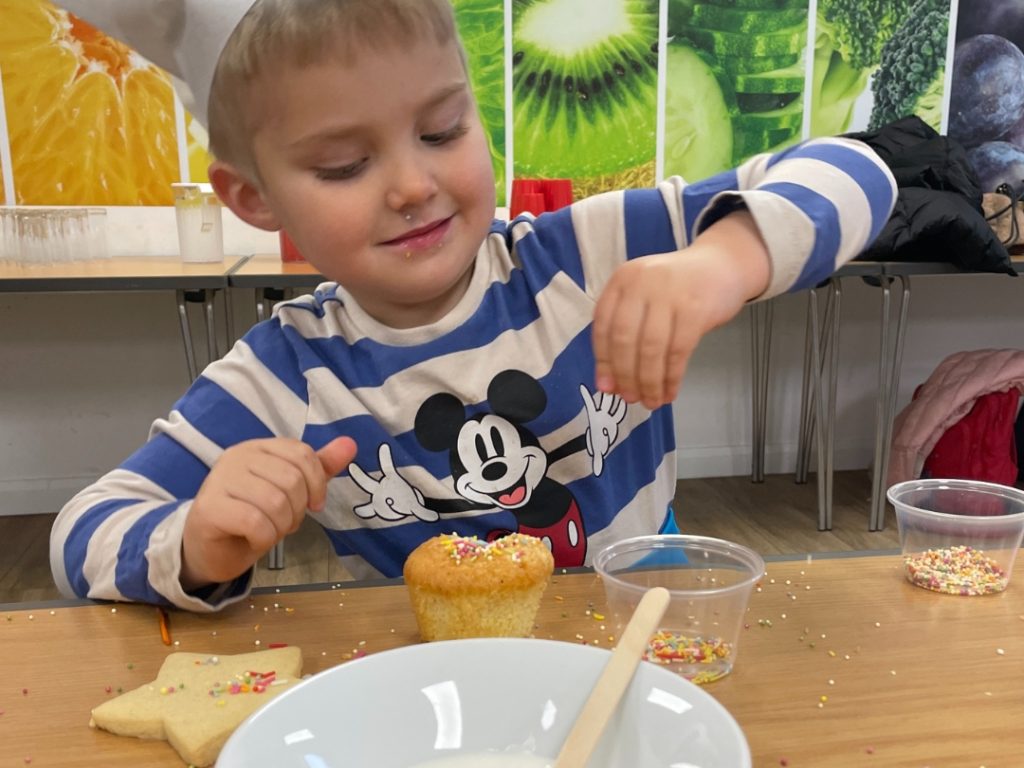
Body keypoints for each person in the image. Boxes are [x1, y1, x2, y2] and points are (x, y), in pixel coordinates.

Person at [51, 0, 897, 610]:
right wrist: (196, 541)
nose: (413, 185)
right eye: (345, 166)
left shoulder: (580, 255)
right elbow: (82, 533)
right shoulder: (286, 377)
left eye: (443, 130)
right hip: (433, 678)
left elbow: (859, 169)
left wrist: (726, 258)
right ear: (254, 198)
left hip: (644, 618)